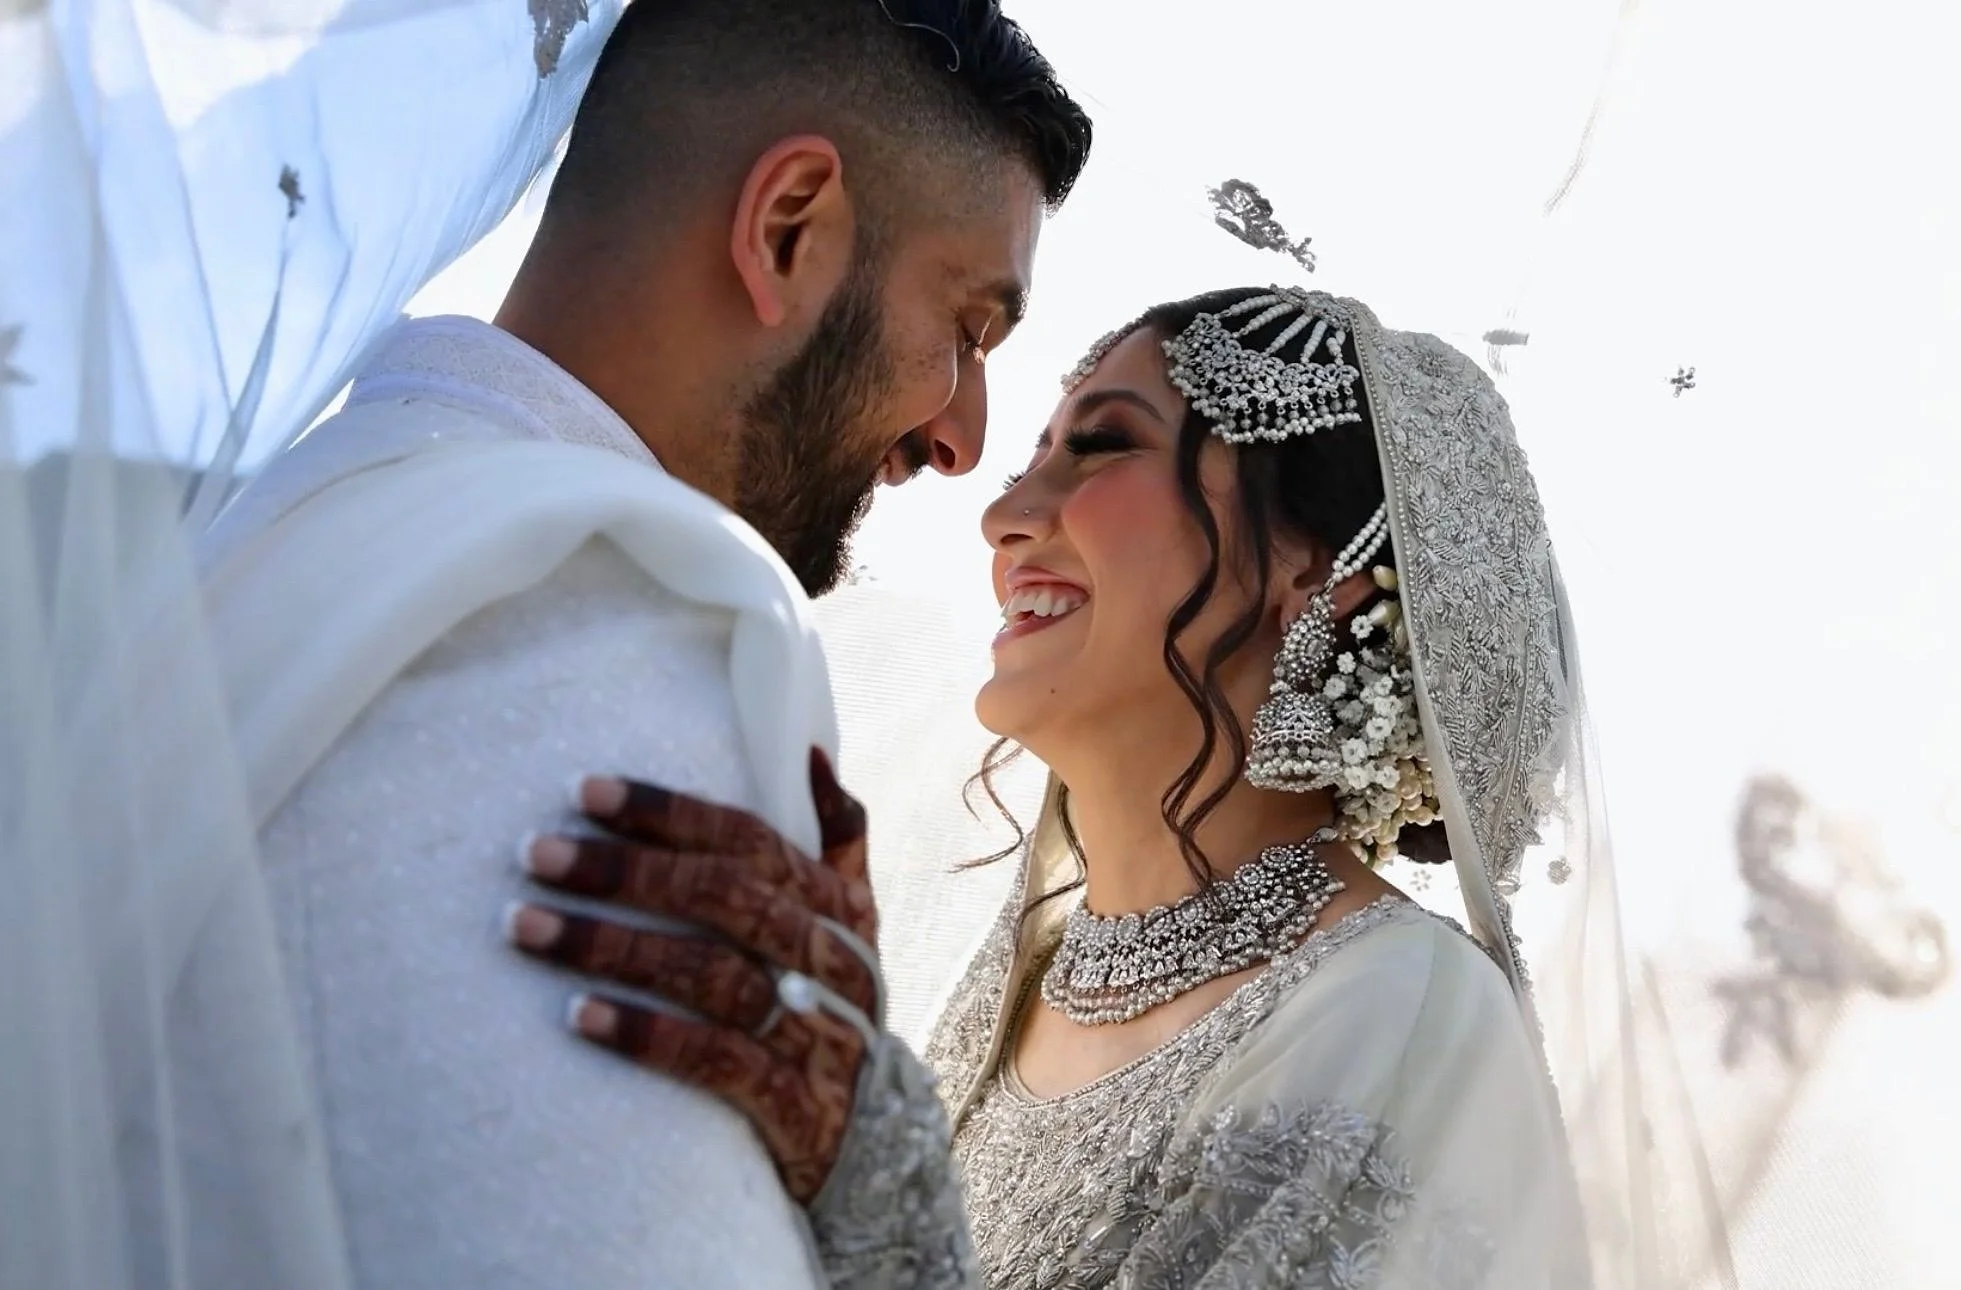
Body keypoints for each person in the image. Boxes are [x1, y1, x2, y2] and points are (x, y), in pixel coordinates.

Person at [512, 283, 1678, 1286]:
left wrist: (864, 1176)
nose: (1004, 517)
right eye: (1028, 462)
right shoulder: (1025, 971)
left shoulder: (1397, 1013)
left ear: (1314, 577)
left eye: (1103, 447)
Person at [188, 3, 1091, 1288]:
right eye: (966, 329)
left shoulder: (283, 513)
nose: (962, 440)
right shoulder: (664, 609)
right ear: (788, 229)